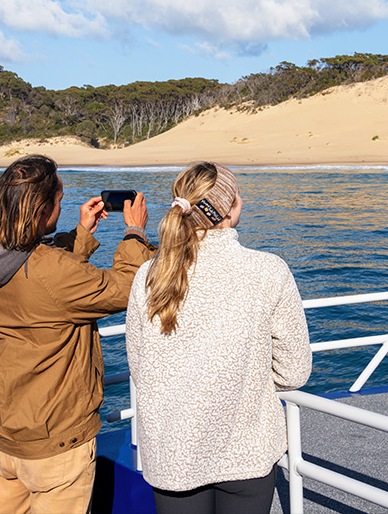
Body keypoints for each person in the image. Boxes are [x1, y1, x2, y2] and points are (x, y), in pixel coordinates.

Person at [0, 154, 154, 514]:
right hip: (55, 442)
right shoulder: (50, 273)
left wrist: (81, 234)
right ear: (42, 208)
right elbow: (129, 287)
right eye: (58, 201)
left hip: (4, 434)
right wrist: (135, 232)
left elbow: (47, 273)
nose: (61, 206)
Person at [125, 162, 312, 514]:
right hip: (245, 451)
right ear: (230, 208)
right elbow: (294, 372)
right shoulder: (268, 271)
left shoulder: (148, 275)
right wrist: (244, 378)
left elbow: (140, 366)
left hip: (173, 454)